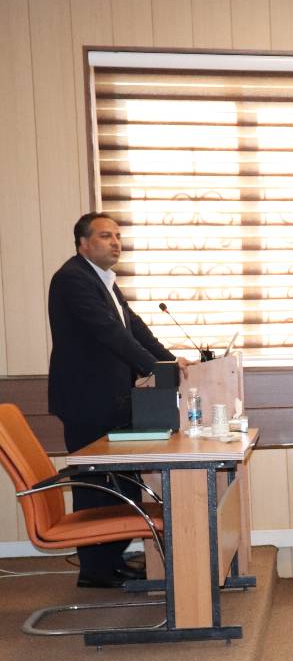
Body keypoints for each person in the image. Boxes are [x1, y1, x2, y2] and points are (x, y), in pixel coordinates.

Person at [47, 212, 188, 588]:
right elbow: (110, 333)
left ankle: (110, 560)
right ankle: (95, 569)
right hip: (87, 401)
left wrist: (170, 362)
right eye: (105, 236)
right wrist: (155, 368)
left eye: (118, 236)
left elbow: (134, 328)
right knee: (96, 484)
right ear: (83, 243)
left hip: (112, 400)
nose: (115, 242)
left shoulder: (104, 280)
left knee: (122, 482)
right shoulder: (72, 279)